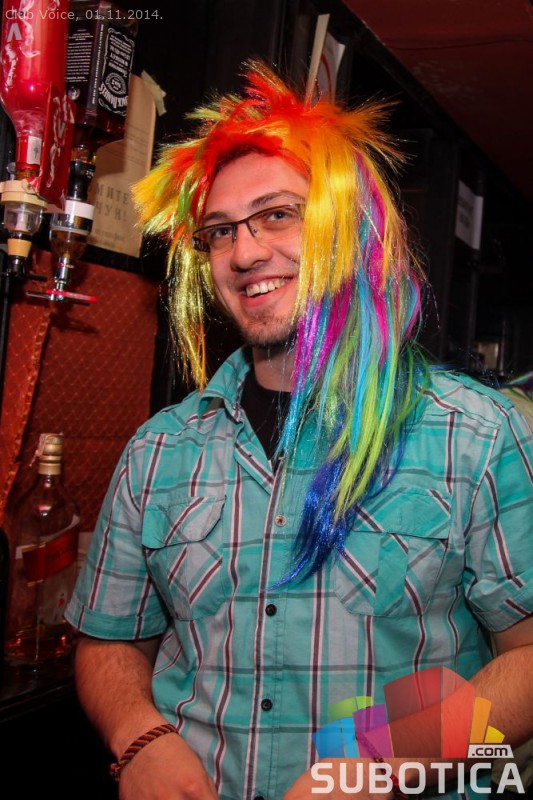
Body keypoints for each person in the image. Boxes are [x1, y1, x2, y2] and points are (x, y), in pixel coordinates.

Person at [65, 62, 533, 800]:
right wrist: (140, 739)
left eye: (278, 215)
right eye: (220, 231)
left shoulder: (474, 434)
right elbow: (108, 640)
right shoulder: (157, 451)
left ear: (351, 230)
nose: (245, 253)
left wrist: (376, 763)